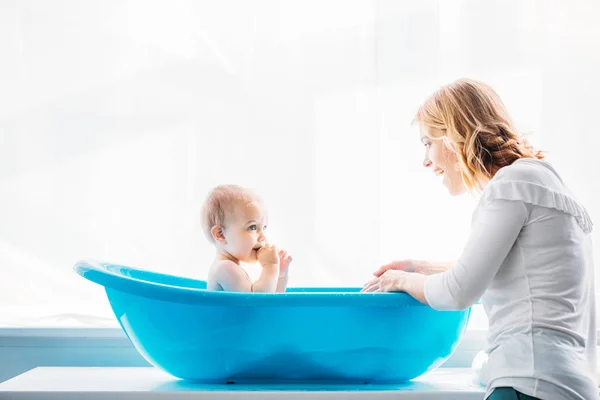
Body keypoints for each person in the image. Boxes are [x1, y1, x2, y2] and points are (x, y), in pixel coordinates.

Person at [361, 79, 598, 400]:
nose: (426, 159)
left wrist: (399, 280)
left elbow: (458, 292)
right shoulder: (542, 181)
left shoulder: (511, 184)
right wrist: (421, 267)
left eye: (428, 142)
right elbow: (516, 269)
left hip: (527, 380)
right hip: (567, 383)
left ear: (455, 134)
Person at [201, 184, 292, 292]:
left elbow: (273, 303)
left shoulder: (234, 267)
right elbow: (257, 304)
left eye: (264, 228)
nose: (263, 237)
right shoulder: (225, 269)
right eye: (252, 227)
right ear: (221, 234)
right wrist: (270, 266)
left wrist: (280, 275)